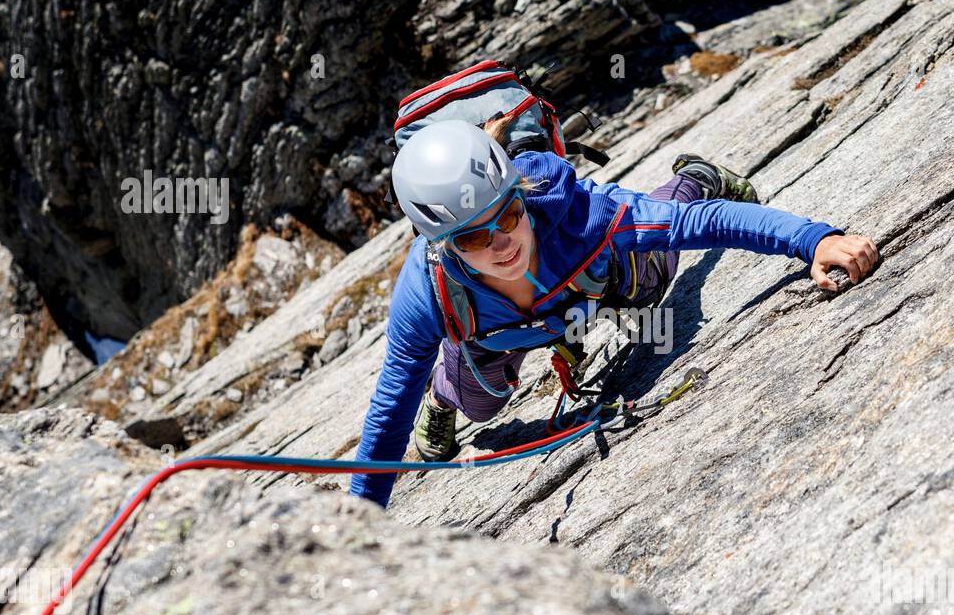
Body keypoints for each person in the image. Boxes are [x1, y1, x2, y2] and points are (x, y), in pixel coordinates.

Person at [349, 118, 878, 508]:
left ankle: (696, 174)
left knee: (651, 278)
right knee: (479, 409)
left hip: (581, 289)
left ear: (519, 193)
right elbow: (390, 409)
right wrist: (357, 528)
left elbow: (692, 224)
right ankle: (444, 398)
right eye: (473, 237)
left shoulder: (575, 214)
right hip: (495, 333)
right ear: (440, 244)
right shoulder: (429, 293)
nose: (503, 241)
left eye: (510, 214)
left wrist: (814, 240)